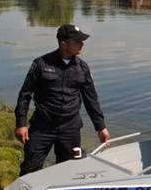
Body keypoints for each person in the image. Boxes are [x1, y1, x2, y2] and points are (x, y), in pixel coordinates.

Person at [14, 24, 111, 175]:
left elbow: (91, 99)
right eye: (77, 41)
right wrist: (21, 123)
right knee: (29, 169)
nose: (82, 44)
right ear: (64, 43)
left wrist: (101, 127)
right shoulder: (41, 64)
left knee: (69, 172)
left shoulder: (83, 68)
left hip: (70, 128)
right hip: (42, 127)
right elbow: (25, 95)